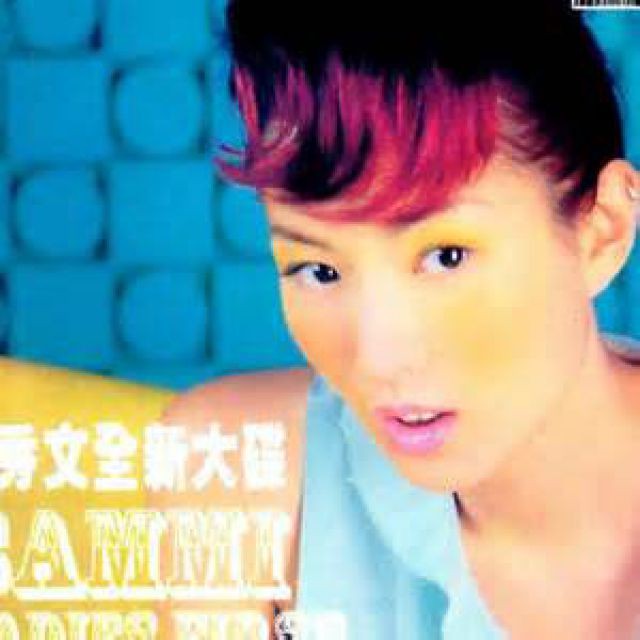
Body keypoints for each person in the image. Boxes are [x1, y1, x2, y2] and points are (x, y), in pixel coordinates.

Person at [160, 1, 640, 637]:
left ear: (602, 231)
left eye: (446, 257)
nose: (379, 359)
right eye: (318, 270)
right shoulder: (235, 470)